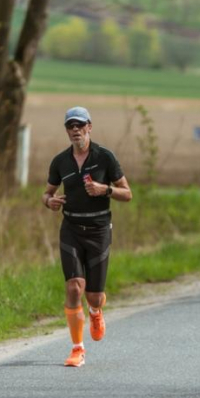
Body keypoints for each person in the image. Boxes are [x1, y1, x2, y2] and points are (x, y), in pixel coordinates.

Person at [43, 106, 132, 367]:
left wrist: (105, 190)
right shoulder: (60, 161)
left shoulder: (105, 157)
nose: (75, 130)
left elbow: (127, 193)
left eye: (79, 125)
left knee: (93, 295)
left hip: (99, 229)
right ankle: (77, 348)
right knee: (73, 287)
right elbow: (46, 193)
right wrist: (49, 201)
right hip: (71, 228)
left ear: (89, 126)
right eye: (70, 126)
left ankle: (96, 310)